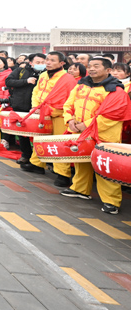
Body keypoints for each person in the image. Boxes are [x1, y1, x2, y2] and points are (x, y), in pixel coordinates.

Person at [61, 58, 131, 214]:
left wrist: (86, 125)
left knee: (105, 166)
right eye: (90, 66)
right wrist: (69, 120)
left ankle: (111, 201)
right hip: (80, 131)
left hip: (103, 135)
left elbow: (112, 115)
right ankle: (80, 190)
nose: (91, 69)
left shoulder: (116, 90)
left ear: (108, 70)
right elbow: (68, 104)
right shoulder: (81, 85)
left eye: (96, 66)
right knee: (81, 162)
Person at [20, 52, 77, 187]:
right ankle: (37, 164)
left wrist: (49, 110)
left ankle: (63, 174)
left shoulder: (67, 79)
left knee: (58, 143)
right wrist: (35, 107)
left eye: (52, 60)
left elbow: (68, 100)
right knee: (39, 139)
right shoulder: (44, 75)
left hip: (59, 115)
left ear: (62, 63)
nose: (48, 62)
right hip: (42, 113)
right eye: (47, 60)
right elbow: (36, 92)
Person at [5, 53, 44, 163]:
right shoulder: (21, 71)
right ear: (31, 63)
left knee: (39, 132)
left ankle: (40, 158)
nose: (41, 64)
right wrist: (26, 81)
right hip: (21, 105)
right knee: (23, 133)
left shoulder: (47, 74)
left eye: (43, 62)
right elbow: (8, 81)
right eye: (38, 62)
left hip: (38, 108)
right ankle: (26, 155)